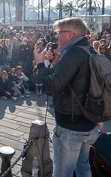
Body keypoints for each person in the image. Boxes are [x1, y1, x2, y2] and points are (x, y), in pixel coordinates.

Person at [34, 17, 99, 177]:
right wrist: (57, 64)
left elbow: (53, 86)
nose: (56, 36)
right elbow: (75, 80)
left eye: (59, 33)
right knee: (83, 166)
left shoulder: (71, 53)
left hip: (71, 127)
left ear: (71, 34)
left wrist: (40, 64)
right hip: (89, 122)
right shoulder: (89, 49)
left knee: (62, 173)